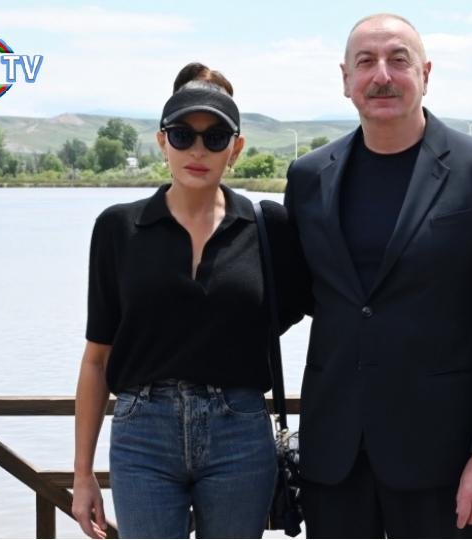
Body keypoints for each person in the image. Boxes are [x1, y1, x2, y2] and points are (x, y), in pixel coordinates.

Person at [283, 13, 472, 538]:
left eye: (398, 60)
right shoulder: (308, 176)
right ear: (345, 80)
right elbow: (300, 298)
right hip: (333, 456)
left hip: (442, 458)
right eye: (366, 62)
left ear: (425, 73)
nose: (382, 75)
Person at [71, 62, 307, 539]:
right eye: (183, 136)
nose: (198, 150)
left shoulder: (268, 228)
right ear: (162, 142)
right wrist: (82, 474)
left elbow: (298, 313)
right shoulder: (119, 228)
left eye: (215, 138)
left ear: (236, 149)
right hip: (143, 433)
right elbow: (96, 359)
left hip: (240, 432)